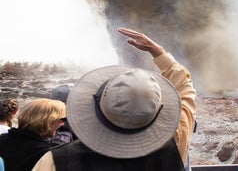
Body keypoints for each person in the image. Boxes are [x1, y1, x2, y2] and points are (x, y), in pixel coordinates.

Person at [32, 27, 197, 171]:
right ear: (156, 111)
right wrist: (159, 53)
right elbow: (185, 89)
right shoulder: (176, 142)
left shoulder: (56, 161)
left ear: (95, 107)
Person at [0, 98, 66, 171]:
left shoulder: (3, 139)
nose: (63, 124)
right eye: (62, 119)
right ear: (48, 121)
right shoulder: (45, 154)